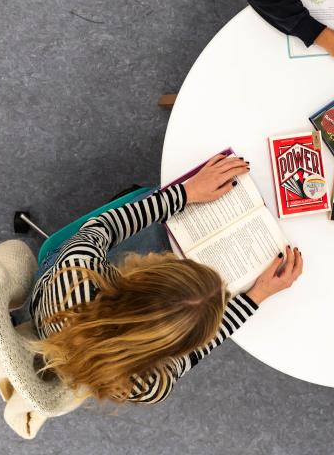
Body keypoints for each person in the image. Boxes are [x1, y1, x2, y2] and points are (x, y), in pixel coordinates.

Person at [30, 154, 303, 403]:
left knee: (151, 201)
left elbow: (103, 226)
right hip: (59, 314)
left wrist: (185, 193)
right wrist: (255, 296)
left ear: (143, 273)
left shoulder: (78, 266)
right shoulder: (146, 386)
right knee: (159, 222)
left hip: (56, 284)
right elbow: (192, 356)